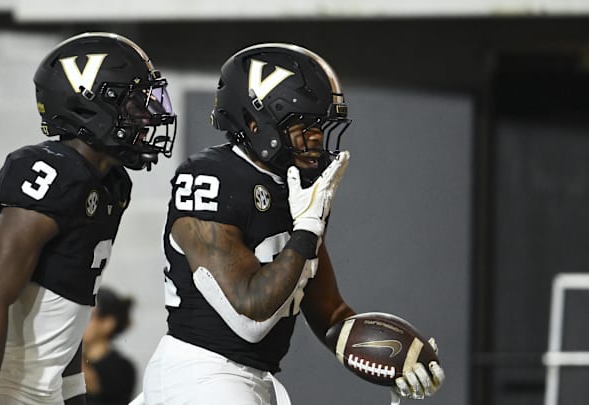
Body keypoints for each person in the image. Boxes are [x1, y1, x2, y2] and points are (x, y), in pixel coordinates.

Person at [136, 43, 444, 405]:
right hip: (202, 371)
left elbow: (329, 313)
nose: (316, 136)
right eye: (303, 123)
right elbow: (249, 310)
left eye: (320, 125)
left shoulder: (297, 186)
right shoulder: (211, 176)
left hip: (254, 378)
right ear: (255, 123)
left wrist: (398, 362)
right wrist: (307, 227)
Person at [0, 32, 176, 405]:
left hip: (41, 390)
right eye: (131, 104)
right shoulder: (48, 171)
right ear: (89, 107)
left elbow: (72, 309)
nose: (147, 117)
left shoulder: (111, 184)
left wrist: (74, 394)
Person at [82, 287, 136, 405]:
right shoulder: (83, 361)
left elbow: (90, 383)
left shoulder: (121, 367)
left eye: (89, 315)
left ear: (108, 323)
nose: (81, 321)